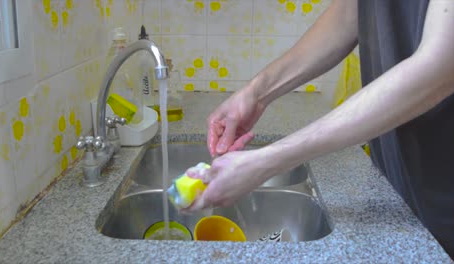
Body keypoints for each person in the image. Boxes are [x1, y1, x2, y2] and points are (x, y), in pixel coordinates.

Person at [184, 0, 454, 258]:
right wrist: (256, 93)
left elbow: (438, 68)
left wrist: (266, 161)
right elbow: (349, 13)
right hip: (399, 184)